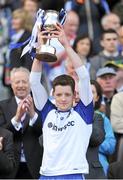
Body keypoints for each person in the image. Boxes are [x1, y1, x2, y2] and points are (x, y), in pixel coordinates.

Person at [30, 23, 94, 179]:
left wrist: (66, 45)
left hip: (72, 174)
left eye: (67, 94)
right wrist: (41, 48)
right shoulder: (48, 111)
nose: (63, 99)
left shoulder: (83, 112)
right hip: (45, 174)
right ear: (53, 94)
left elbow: (84, 77)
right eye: (59, 95)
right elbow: (33, 82)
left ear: (74, 95)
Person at [0, 67, 43, 179]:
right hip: (10, 166)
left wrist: (33, 114)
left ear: (30, 83)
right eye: (17, 82)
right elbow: (2, 135)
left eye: (24, 81)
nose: (21, 85)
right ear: (11, 84)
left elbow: (45, 132)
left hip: (35, 166)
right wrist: (17, 118)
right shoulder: (2, 106)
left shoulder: (40, 105)